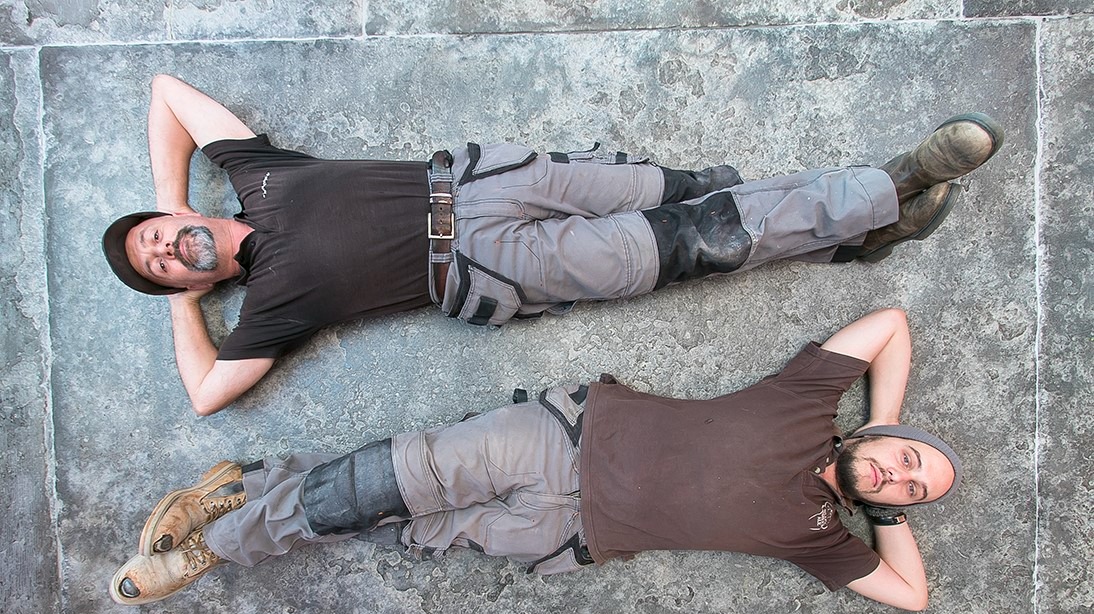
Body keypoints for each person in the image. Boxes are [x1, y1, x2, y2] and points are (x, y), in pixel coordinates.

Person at [102, 75, 1003, 416]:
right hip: (492, 270)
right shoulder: (266, 306)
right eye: (157, 264)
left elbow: (166, 97)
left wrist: (168, 206)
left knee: (690, 192)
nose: (164, 247)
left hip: (492, 181)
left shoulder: (257, 175)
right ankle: (892, 182)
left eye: (152, 236)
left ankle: (862, 236)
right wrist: (187, 296)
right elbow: (206, 393)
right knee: (696, 240)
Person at [110, 308, 961, 612]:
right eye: (910, 457)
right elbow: (890, 323)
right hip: (561, 437)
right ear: (886, 437)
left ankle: (242, 491)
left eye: (913, 490)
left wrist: (882, 512)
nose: (900, 473)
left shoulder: (827, 538)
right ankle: (211, 547)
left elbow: (913, 594)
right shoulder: (810, 404)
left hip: (564, 535)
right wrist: (880, 423)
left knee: (396, 527)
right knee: (389, 479)